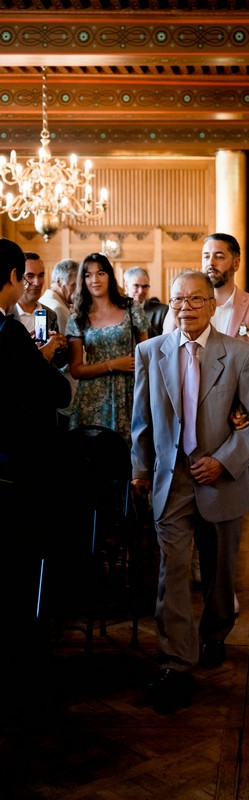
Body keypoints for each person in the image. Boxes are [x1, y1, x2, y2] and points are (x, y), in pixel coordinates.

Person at [131, 270, 249, 713]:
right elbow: (141, 422)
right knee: (173, 569)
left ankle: (214, 633)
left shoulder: (240, 354)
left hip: (220, 477)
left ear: (210, 304)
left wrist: (222, 460)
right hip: (172, 479)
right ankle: (176, 661)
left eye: (194, 300)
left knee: (220, 572)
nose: (184, 308)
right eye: (177, 301)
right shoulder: (150, 352)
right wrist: (140, 469)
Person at [0, 237, 71, 721]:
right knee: (17, 579)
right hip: (13, 473)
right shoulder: (7, 332)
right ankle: (22, 682)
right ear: (10, 278)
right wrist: (44, 364)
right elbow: (56, 393)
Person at [163, 232, 249, 479]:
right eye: (206, 256)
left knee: (227, 484)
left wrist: (245, 401)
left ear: (236, 263)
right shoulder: (181, 306)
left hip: (233, 417)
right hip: (187, 408)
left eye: (219, 256)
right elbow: (167, 349)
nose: (211, 263)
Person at [66, 252, 150, 445]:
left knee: (131, 456)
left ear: (110, 276)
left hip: (130, 392)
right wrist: (112, 364)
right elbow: (76, 369)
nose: (95, 279)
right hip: (93, 398)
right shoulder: (78, 317)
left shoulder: (131, 309)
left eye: (101, 273)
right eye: (88, 275)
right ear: (83, 280)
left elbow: (147, 355)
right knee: (94, 459)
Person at [40, 257, 79, 427]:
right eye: (73, 285)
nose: (77, 291)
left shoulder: (50, 303)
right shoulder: (57, 308)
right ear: (58, 281)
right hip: (63, 388)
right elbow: (66, 356)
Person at [11, 251, 68, 364]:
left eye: (41, 275)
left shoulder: (50, 314)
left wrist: (61, 348)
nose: (37, 283)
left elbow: (59, 363)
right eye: (30, 276)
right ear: (17, 277)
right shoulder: (6, 314)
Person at [123, 265, 169, 338]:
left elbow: (164, 340)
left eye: (145, 286)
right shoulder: (117, 310)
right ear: (126, 286)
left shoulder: (162, 311)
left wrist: (139, 312)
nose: (141, 291)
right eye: (136, 286)